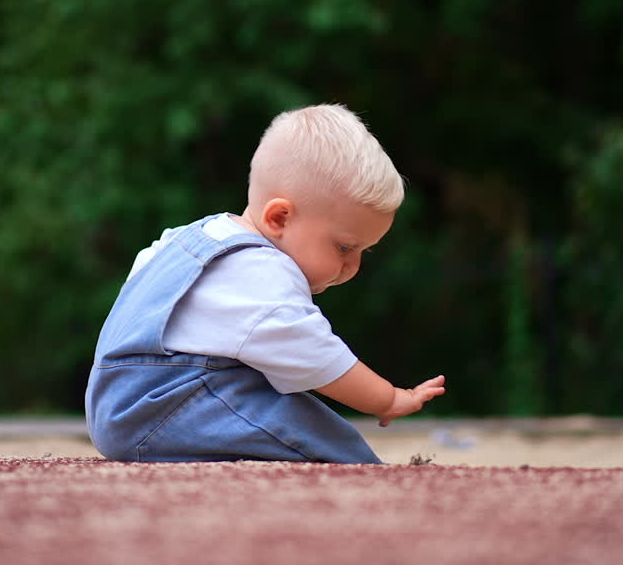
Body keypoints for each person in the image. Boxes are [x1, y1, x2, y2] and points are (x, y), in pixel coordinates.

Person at [85, 104, 445, 463]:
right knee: (311, 429)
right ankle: (363, 473)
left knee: (260, 397)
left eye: (364, 251)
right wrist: (388, 399)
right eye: (344, 247)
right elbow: (316, 356)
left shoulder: (187, 238)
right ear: (279, 218)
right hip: (163, 407)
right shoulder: (262, 271)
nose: (353, 266)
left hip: (114, 403)